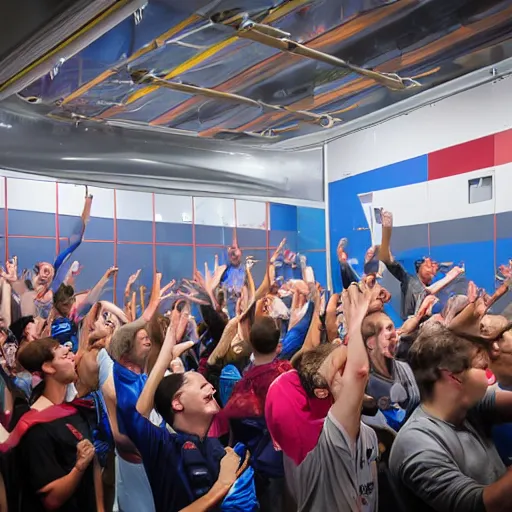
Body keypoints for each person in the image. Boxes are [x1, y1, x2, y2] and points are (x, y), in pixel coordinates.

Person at [118, 310, 256, 512]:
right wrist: (222, 486)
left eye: (209, 385)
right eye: (202, 386)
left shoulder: (217, 449)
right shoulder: (164, 446)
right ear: (177, 403)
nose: (211, 388)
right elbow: (137, 417)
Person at [266, 280, 380, 511]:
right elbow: (359, 371)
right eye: (342, 369)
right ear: (321, 391)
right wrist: (355, 321)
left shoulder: (366, 433)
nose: (350, 370)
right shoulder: (320, 435)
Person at [389, 321, 512, 512]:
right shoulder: (417, 444)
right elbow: (484, 505)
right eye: (481, 366)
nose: (488, 369)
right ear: (454, 377)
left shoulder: (467, 406)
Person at [7, 337, 99, 512]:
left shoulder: (74, 410)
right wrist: (78, 467)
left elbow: (93, 468)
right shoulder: (35, 427)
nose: (73, 358)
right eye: (65, 356)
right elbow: (51, 500)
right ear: (48, 367)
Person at [379, 209, 463, 320]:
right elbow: (385, 257)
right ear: (419, 267)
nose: (432, 265)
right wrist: (387, 231)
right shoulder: (409, 280)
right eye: (428, 263)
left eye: (434, 265)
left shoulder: (436, 294)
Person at [362, 311, 419, 430]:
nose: (396, 335)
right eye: (389, 329)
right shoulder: (364, 384)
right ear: (371, 343)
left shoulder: (406, 367)